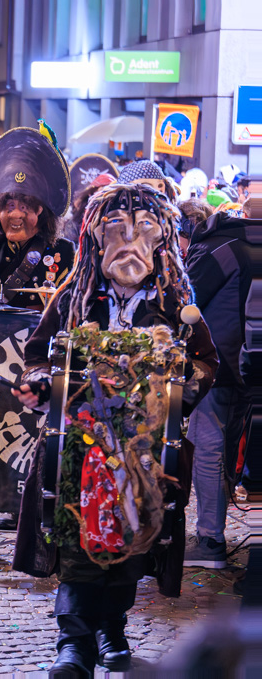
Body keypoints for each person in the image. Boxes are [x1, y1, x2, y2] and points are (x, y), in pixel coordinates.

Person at [12, 182, 218, 676]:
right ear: (95, 239)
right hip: (80, 447)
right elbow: (38, 358)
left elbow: (205, 363)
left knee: (134, 539)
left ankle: (112, 627)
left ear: (162, 239)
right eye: (116, 230)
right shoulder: (75, 297)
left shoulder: (178, 304)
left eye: (144, 229)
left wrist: (181, 387)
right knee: (78, 537)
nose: (130, 241)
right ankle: (75, 641)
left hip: (143, 450)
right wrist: (40, 384)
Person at [184, 208, 253, 569]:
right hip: (248, 364)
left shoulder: (216, 249)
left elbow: (186, 302)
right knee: (227, 448)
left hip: (220, 363)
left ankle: (210, 539)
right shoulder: (246, 245)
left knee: (209, 447)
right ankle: (216, 533)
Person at [0, 127, 76, 312]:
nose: (15, 215)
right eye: (9, 207)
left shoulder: (64, 252)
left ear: (40, 211)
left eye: (24, 208)